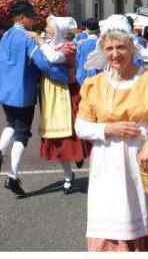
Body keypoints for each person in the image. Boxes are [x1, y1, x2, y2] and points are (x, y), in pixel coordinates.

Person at [75, 15, 148, 251]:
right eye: (109, 48)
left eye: (121, 47)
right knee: (111, 221)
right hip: (108, 163)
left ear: (132, 47)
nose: (115, 54)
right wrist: (108, 128)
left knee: (143, 218)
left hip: (141, 162)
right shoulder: (95, 84)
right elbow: (81, 126)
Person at [0, 1, 69, 198]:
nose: (33, 20)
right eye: (30, 16)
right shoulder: (27, 38)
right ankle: (13, 176)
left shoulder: (5, 35)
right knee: (22, 134)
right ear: (22, 17)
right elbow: (43, 63)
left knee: (11, 123)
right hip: (22, 91)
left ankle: (0, 149)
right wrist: (64, 76)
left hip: (4, 91)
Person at [30, 16, 91, 193]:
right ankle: (68, 175)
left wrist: (40, 41)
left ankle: (81, 157)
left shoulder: (69, 47)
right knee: (55, 137)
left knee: (72, 134)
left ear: (59, 30)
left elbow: (54, 58)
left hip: (68, 92)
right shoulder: (50, 44)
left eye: (50, 26)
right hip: (50, 93)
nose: (47, 29)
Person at [75, 18, 100, 86]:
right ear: (98, 29)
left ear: (86, 29)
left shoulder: (80, 44)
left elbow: (77, 62)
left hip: (82, 78)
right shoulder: (101, 43)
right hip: (98, 78)